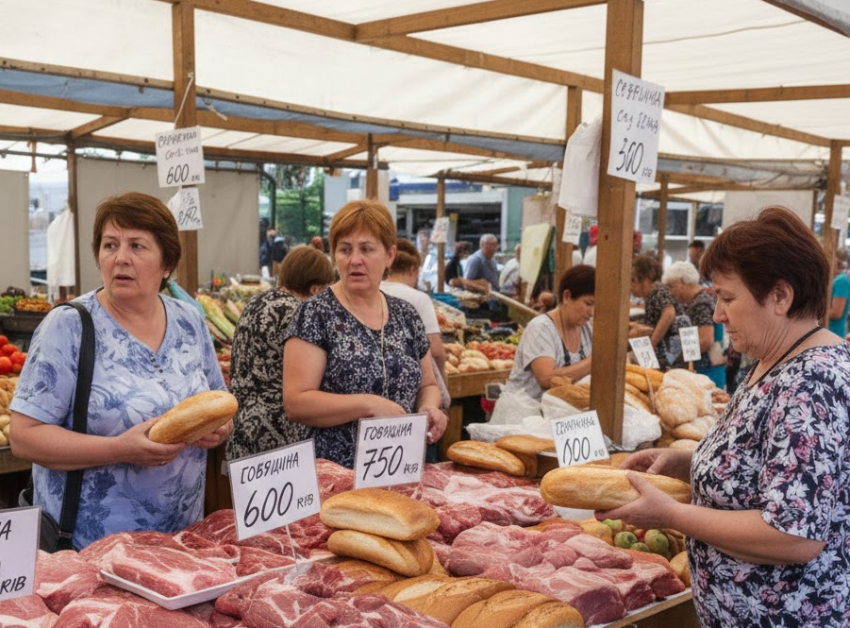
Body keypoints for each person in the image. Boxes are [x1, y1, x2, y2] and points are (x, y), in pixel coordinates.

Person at [602, 206, 850, 628]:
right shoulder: (771, 359)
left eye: (728, 298)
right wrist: (688, 464)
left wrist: (671, 515)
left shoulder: (812, 381)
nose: (717, 314)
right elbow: (765, 468)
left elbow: (793, 535)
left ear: (780, 296)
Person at [9, 192, 230, 549]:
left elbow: (217, 401)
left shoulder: (189, 320)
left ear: (167, 263)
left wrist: (215, 429)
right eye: (110, 245)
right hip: (90, 551)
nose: (120, 258)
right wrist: (119, 448)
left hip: (182, 543)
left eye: (137, 246)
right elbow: (23, 436)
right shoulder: (69, 326)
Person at [282, 200, 448, 468]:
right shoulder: (316, 314)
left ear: (389, 256)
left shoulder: (406, 314)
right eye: (345, 249)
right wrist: (369, 405)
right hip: (335, 476)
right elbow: (297, 402)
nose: (355, 260)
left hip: (400, 467)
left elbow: (428, 385)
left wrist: (429, 407)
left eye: (367, 249)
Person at [226, 246, 334, 462]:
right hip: (278, 435)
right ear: (315, 289)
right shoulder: (298, 313)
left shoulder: (257, 301)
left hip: (243, 427)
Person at [503, 265, 595, 400]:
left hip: (560, 414)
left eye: (596, 305)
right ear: (567, 296)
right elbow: (546, 378)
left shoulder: (586, 328)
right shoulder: (541, 328)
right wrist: (595, 362)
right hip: (525, 414)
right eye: (588, 303)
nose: (592, 312)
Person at [381, 238, 449, 397]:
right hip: (410, 389)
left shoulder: (370, 292)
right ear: (413, 270)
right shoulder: (419, 299)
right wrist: (443, 387)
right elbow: (436, 351)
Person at [662, 261, 726, 389]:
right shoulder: (699, 298)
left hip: (706, 373)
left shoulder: (701, 302)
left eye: (671, 287)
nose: (670, 292)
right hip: (704, 371)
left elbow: (705, 340)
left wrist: (678, 358)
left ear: (682, 282)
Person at [629, 254, 688, 370]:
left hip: (671, 358)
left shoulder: (658, 291)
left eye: (633, 280)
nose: (630, 286)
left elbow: (669, 313)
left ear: (646, 278)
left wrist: (652, 343)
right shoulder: (651, 295)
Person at [828, 248, 850, 339]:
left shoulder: (841, 281)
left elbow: (836, 313)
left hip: (833, 334)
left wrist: (811, 314)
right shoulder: (840, 279)